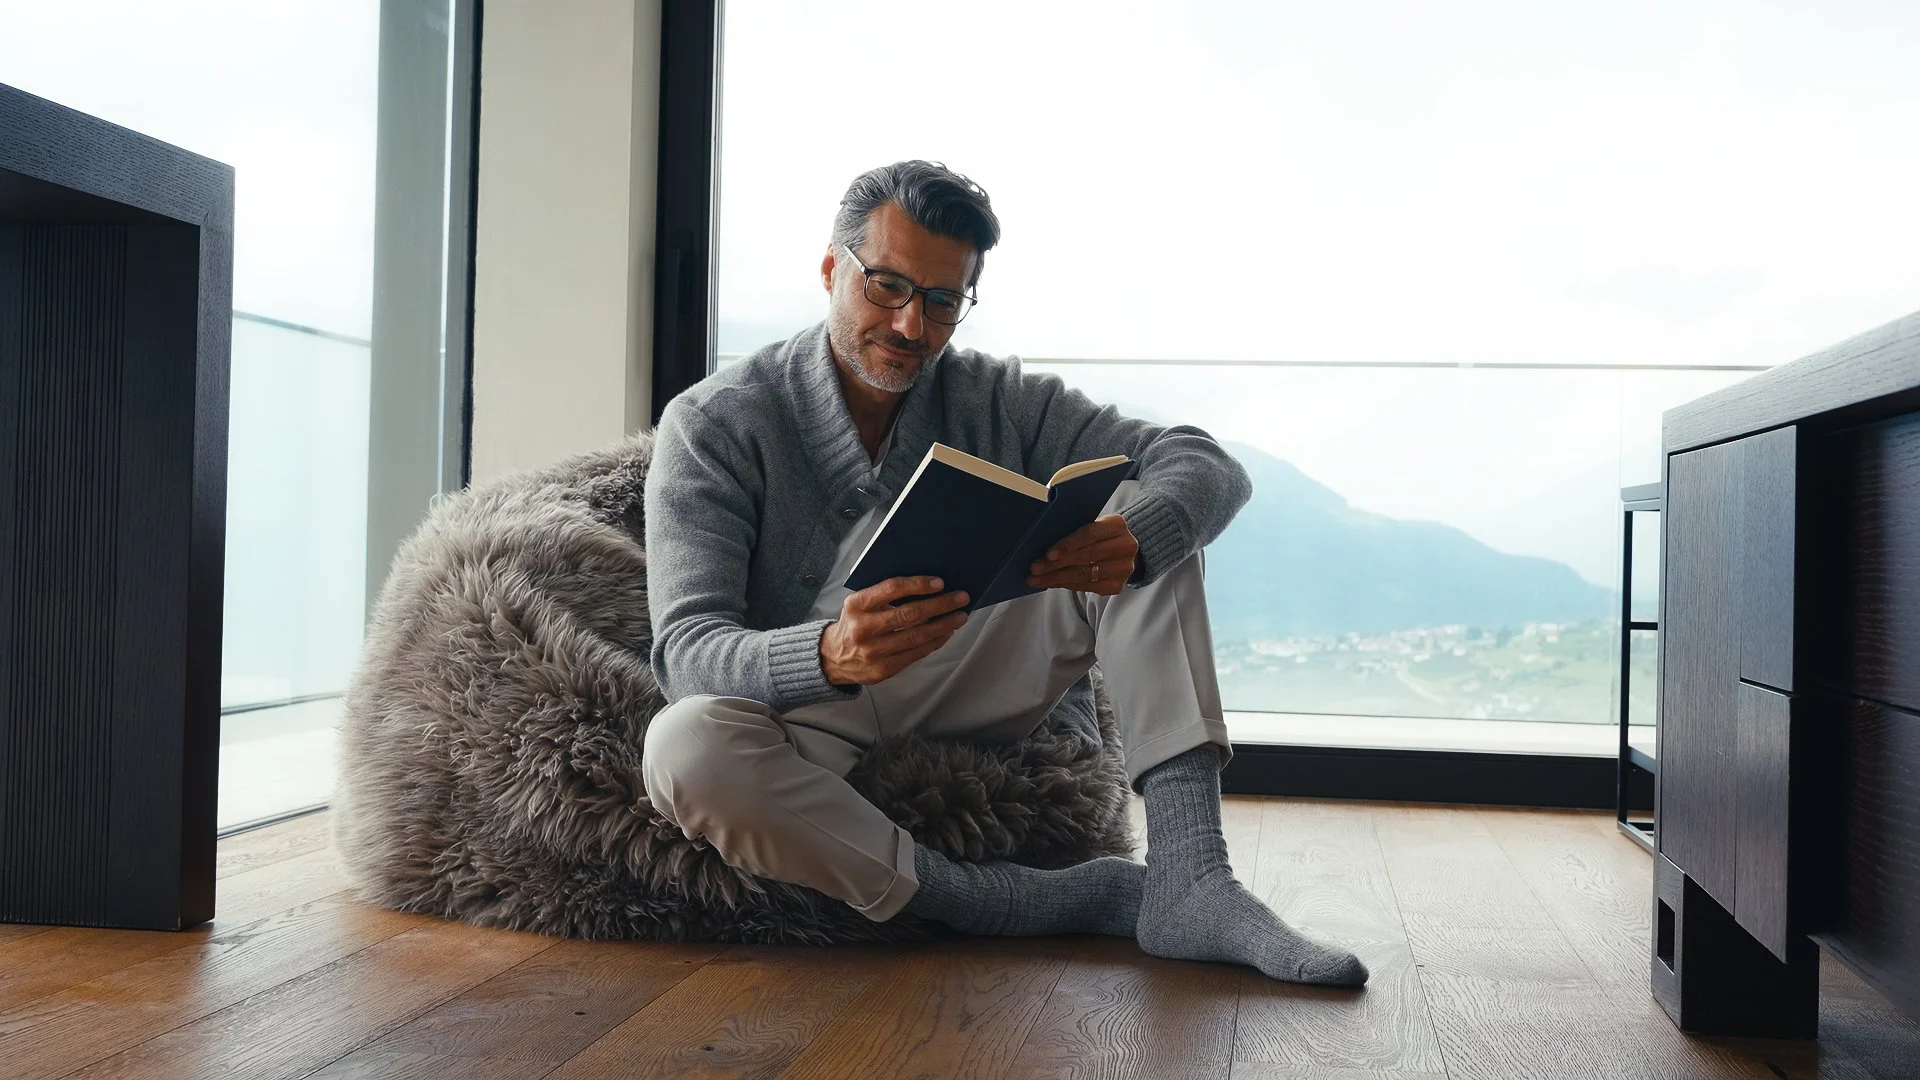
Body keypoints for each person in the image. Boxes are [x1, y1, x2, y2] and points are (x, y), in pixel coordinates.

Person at [641, 160, 1366, 987]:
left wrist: (1143, 531)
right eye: (885, 286)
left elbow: (1202, 462)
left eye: (943, 302)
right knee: (682, 747)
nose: (912, 325)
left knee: (1143, 514)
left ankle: (1193, 877)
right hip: (811, 707)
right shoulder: (714, 423)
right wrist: (829, 655)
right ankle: (997, 901)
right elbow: (688, 653)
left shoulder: (992, 396)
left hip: (976, 672)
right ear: (831, 268)